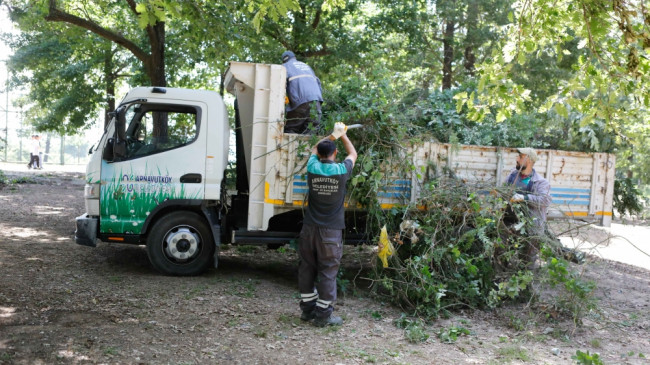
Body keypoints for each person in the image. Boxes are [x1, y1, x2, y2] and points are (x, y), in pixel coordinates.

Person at [298, 122, 357, 327]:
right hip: (330, 232)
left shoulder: (312, 167)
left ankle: (307, 310)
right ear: (335, 153)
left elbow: (315, 148)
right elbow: (353, 154)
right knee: (328, 271)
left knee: (306, 267)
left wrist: (332, 135)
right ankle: (323, 315)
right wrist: (343, 135)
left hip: (309, 228)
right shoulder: (341, 170)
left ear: (321, 153)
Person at [506, 147, 552, 264]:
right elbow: (504, 191)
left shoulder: (540, 182)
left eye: (521, 157)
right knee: (504, 252)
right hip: (511, 222)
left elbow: (545, 200)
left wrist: (524, 198)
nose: (517, 159)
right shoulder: (513, 175)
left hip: (531, 227)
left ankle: (528, 280)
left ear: (529, 161)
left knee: (527, 260)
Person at [282, 51, 323, 134]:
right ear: (294, 57)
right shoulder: (306, 66)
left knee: (291, 129)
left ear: (284, 60)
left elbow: (279, 85)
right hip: (316, 101)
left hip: (300, 102)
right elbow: (318, 84)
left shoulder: (284, 67)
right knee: (311, 132)